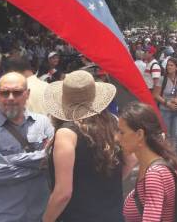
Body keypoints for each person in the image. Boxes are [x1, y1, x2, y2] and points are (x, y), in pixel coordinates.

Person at [41, 70, 129, 222]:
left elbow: (63, 193)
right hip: (113, 214)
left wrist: (46, 219)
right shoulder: (113, 122)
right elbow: (132, 159)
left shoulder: (67, 134)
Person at [0, 72, 54, 222]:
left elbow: (55, 162)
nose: (10, 98)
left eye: (16, 92)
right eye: (4, 93)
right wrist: (40, 164)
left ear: (27, 94)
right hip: (1, 217)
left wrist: (9, 160)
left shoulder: (44, 124)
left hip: (41, 215)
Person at [119, 103, 177, 222]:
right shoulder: (148, 166)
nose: (117, 138)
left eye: (122, 132)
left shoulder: (154, 175)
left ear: (140, 134)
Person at [153, 57, 177, 160]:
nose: (169, 67)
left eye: (171, 65)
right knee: (167, 136)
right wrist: (167, 103)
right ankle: (169, 158)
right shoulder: (162, 79)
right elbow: (155, 95)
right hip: (165, 111)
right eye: (168, 65)